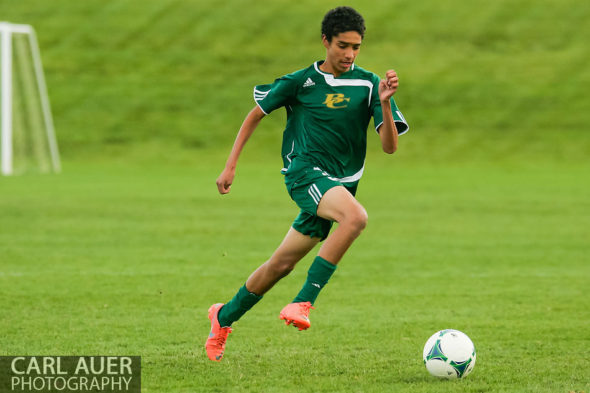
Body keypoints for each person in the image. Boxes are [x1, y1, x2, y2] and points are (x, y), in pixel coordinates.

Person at [206, 6, 409, 361]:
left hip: (339, 187)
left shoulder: (368, 84)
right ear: (325, 41)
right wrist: (230, 166)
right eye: (342, 45)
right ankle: (303, 302)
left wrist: (385, 104)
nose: (349, 54)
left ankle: (222, 318)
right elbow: (255, 115)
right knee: (356, 218)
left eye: (356, 47)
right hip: (304, 174)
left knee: (280, 265)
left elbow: (390, 147)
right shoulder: (300, 82)